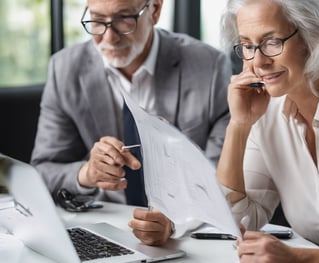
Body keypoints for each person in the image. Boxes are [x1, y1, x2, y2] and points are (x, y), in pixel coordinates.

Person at [31, 0, 231, 246]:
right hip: (104, 227)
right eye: (96, 19)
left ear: (155, 10)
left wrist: (176, 220)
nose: (109, 37)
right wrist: (87, 173)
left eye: (124, 19)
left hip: (190, 232)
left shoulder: (208, 67)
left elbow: (222, 175)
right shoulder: (65, 68)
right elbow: (43, 170)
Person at [217, 0, 319, 262]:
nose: (258, 61)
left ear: (314, 38)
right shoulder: (264, 113)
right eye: (247, 45)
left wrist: (301, 259)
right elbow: (240, 222)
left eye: (272, 41)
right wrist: (239, 126)